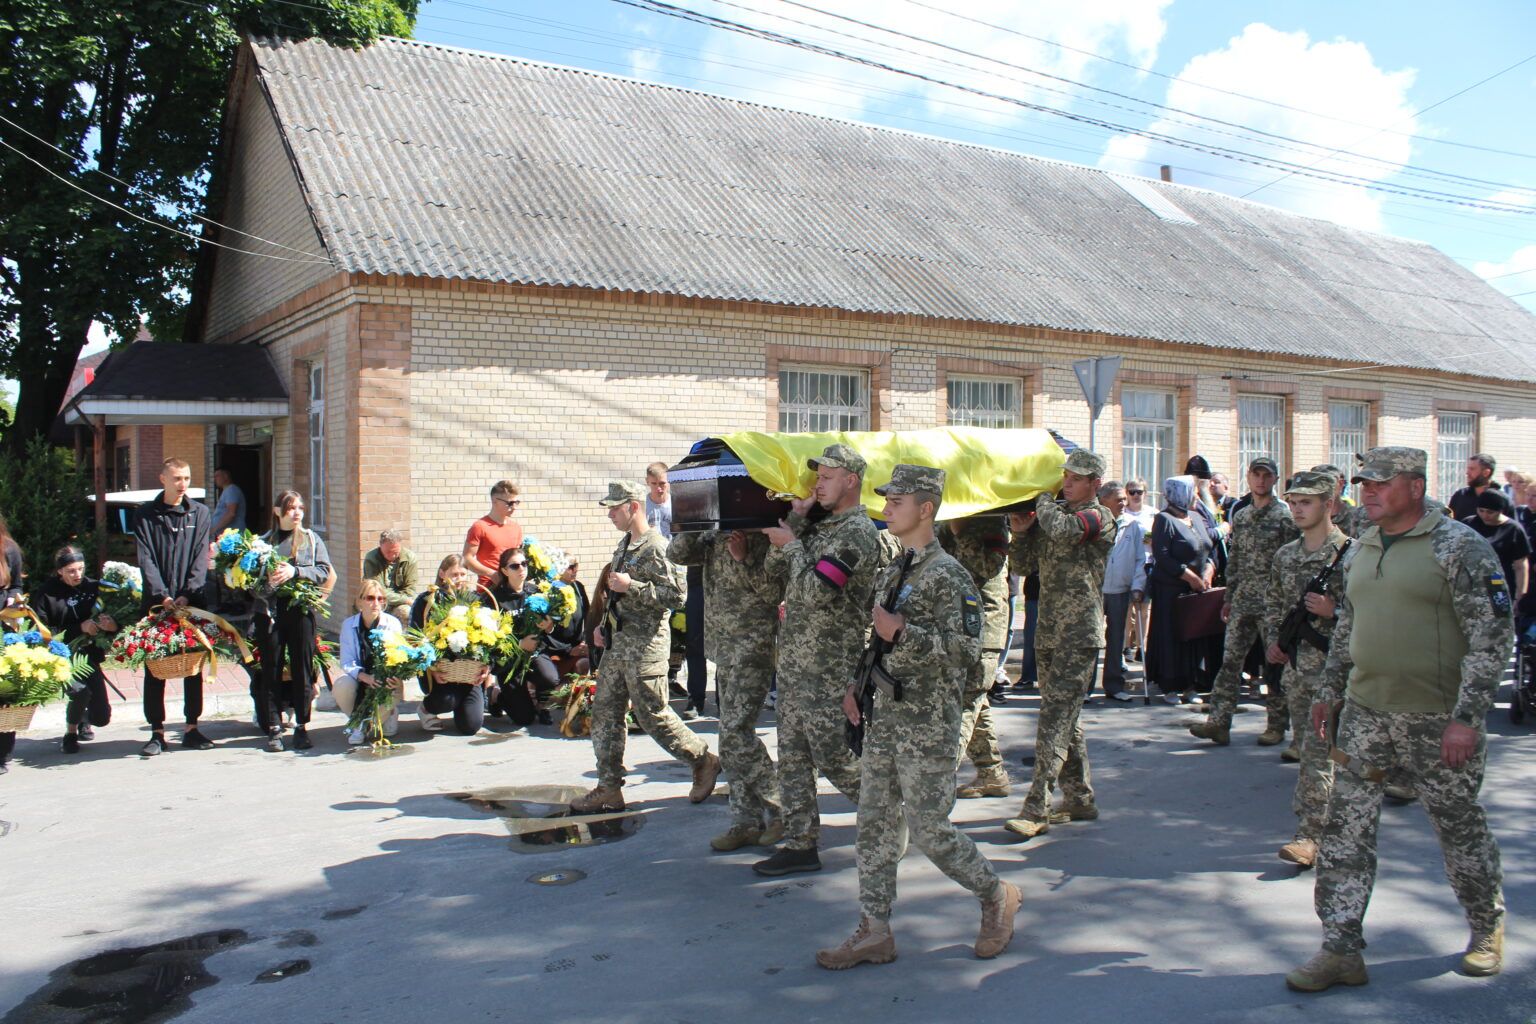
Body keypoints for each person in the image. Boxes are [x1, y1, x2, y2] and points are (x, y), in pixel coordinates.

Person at [1287, 447, 1512, 992]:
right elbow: (1349, 624)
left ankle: (1486, 928)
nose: (1368, 491)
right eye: (1364, 482)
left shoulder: (1459, 547)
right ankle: (1340, 948)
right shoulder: (1363, 544)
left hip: (1436, 718)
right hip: (1366, 713)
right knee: (1345, 830)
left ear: (1415, 487)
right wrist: (1330, 689)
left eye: (1381, 483)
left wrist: (1467, 717)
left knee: (1457, 825)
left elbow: (1491, 637)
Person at [816, 465, 1020, 969]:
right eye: (887, 499)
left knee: (929, 828)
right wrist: (856, 687)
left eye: (897, 500)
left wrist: (904, 633)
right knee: (874, 824)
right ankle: (875, 930)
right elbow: (877, 639)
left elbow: (967, 650)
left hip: (926, 725)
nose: (886, 506)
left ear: (925, 509)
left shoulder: (949, 575)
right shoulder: (897, 566)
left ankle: (996, 894)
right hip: (884, 716)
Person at [754, 443, 880, 876]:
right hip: (795, 660)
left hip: (831, 663)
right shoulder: (821, 527)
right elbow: (774, 573)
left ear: (851, 481)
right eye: (817, 477)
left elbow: (817, 590)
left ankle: (893, 813)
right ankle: (800, 842)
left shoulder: (857, 533)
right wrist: (797, 520)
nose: (817, 485)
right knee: (791, 754)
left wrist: (792, 544)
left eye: (826, 478)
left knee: (833, 754)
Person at [570, 481, 720, 813]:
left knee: (652, 715)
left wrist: (632, 585)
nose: (610, 514)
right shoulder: (625, 545)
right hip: (619, 644)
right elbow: (615, 594)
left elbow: (676, 597)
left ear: (633, 507)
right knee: (606, 713)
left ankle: (703, 759)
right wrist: (602, 626)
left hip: (646, 647)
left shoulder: (656, 546)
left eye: (614, 508)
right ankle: (608, 787)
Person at [1003, 449, 1116, 841]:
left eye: (1075, 478)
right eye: (1064, 475)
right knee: (1065, 717)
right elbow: (1021, 564)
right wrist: (1020, 530)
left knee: (1053, 718)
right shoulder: (1053, 519)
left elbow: (1067, 531)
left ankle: (1037, 806)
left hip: (1078, 634)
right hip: (1049, 631)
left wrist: (1041, 501)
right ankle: (1080, 797)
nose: (1066, 482)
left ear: (1094, 484)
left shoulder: (1098, 517)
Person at [668, 524, 786, 851]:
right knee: (729, 736)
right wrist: (692, 521)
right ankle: (745, 821)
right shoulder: (710, 535)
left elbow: (774, 593)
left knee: (736, 733)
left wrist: (745, 558)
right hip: (722, 648)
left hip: (753, 647)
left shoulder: (761, 534)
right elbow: (676, 553)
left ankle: (780, 804)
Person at [1262, 472, 1348, 869]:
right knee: (1313, 751)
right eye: (1293, 502)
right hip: (1300, 670)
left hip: (1343, 672)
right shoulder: (1286, 555)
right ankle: (1315, 832)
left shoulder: (1352, 553)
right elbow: (1275, 604)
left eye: (1306, 502)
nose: (1297, 509)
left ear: (1328, 505)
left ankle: (1316, 832)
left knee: (1337, 755)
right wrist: (1275, 643)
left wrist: (1336, 612)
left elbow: (1378, 615)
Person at [1191, 458, 1298, 746]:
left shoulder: (1285, 517)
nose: (1261, 481)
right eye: (1256, 475)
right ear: (1248, 477)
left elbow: (1292, 563)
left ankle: (1276, 725)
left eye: (1267, 475)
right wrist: (1228, 597)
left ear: (1275, 479)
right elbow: (1235, 559)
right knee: (1229, 664)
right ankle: (1219, 722)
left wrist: (1287, 605)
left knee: (1274, 665)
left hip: (1273, 606)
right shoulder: (1242, 515)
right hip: (1242, 602)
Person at [133, 458, 214, 757]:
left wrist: (187, 595)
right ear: (163, 478)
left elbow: (200, 557)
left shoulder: (200, 513)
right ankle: (157, 732)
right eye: (177, 478)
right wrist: (163, 597)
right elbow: (146, 559)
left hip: (191, 603)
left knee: (193, 667)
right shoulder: (144, 515)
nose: (182, 484)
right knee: (156, 668)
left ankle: (192, 727)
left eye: (187, 478)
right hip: (157, 605)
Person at [937, 514, 1012, 798]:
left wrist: (959, 532)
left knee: (964, 707)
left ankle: (932, 787)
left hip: (982, 630)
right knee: (975, 705)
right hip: (954, 628)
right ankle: (992, 773)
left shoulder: (991, 522)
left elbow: (984, 568)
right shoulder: (946, 520)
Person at [251, 490, 332, 753]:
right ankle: (274, 727)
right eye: (290, 508)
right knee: (271, 670)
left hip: (301, 612)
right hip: (270, 613)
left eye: (300, 508)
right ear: (277, 512)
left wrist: (296, 571)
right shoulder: (263, 542)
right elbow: (247, 582)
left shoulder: (311, 539)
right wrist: (266, 583)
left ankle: (301, 726)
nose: (297, 513)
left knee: (302, 668)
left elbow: (324, 571)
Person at [30, 547, 117, 754]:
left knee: (102, 718)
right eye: (71, 570)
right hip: (61, 655)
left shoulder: (94, 588)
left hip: (88, 656)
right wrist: (79, 628)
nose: (77, 574)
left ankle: (83, 718)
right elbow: (43, 631)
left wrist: (112, 626)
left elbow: (114, 619)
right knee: (80, 692)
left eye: (80, 569)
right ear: (59, 571)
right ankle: (70, 735)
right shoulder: (46, 593)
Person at [1144, 476, 1215, 705]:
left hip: (1196, 591)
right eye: (1191, 490)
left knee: (1193, 638)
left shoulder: (1195, 516)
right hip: (1172, 591)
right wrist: (1190, 576)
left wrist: (1208, 571)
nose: (1195, 495)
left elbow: (1208, 548)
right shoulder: (1164, 519)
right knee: (1172, 637)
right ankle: (1171, 685)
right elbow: (1163, 556)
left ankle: (1190, 685)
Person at [411, 555, 494, 736]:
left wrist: (487, 667)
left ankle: (464, 703)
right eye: (454, 574)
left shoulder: (476, 600)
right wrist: (431, 668)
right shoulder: (427, 601)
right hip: (441, 674)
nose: (459, 578)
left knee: (470, 727)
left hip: (470, 675)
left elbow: (493, 640)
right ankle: (426, 709)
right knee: (446, 700)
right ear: (442, 574)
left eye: (463, 574)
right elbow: (415, 637)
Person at [489, 546, 561, 726]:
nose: (521, 569)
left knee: (550, 678)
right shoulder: (494, 598)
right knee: (524, 719)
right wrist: (520, 643)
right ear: (504, 570)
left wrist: (549, 626)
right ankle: (497, 696)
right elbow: (489, 637)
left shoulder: (536, 591)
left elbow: (550, 626)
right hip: (509, 660)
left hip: (535, 654)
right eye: (514, 566)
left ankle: (542, 706)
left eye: (524, 564)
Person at [334, 580, 407, 745]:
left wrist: (393, 676)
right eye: (370, 598)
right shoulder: (348, 625)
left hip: (384, 678)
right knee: (342, 685)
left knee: (391, 687)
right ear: (359, 601)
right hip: (362, 677)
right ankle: (361, 724)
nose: (376, 603)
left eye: (380, 599)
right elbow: (346, 661)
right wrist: (364, 676)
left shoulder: (392, 624)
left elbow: (399, 656)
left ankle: (381, 717)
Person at [1098, 480, 1145, 702]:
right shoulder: (1095, 521)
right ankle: (1086, 688)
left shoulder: (1132, 525)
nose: (1123, 503)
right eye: (1118, 499)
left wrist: (1137, 586)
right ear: (1103, 500)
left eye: (1125, 499)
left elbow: (1139, 559)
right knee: (1092, 640)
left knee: (1116, 639)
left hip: (1120, 589)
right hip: (1096, 590)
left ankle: (1114, 685)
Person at [1462, 490, 1531, 605]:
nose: (1485, 515)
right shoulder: (1468, 524)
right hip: (1470, 585)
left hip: (1499, 586)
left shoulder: (1513, 529)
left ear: (1501, 511)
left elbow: (1521, 566)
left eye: (1490, 512)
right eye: (1481, 511)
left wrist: (1520, 596)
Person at [463, 480, 525, 590]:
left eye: (516, 502)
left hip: (513, 586)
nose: (514, 507)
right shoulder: (480, 526)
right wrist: (491, 574)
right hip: (489, 588)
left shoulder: (516, 527)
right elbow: (467, 559)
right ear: (495, 501)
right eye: (510, 503)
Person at [0, 517, 23, 774]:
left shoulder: (9, 549)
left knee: (5, 688)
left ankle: (3, 750)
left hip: (3, 625)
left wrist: (11, 600)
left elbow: (16, 586)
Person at [1124, 478, 1155, 661]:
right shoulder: (1122, 513)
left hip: (1147, 563)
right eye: (1132, 492)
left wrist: (1154, 541)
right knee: (1127, 608)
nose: (1136, 495)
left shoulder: (1153, 514)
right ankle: (1126, 646)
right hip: (1126, 565)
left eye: (1139, 492)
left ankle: (1142, 646)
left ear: (1145, 493)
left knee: (1144, 608)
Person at [545, 558, 591, 680]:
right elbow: (545, 629)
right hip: (555, 651)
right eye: (570, 567)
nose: (575, 570)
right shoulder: (549, 591)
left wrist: (585, 641)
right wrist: (568, 650)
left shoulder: (578, 587)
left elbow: (588, 616)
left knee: (584, 666)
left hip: (577, 647)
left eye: (576, 565)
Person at [362, 528, 418, 621]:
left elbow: (410, 590)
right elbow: (377, 590)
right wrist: (405, 600)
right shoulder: (371, 559)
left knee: (406, 612)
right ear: (380, 546)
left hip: (400, 603)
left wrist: (402, 600)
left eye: (395, 552)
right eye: (388, 552)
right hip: (377, 601)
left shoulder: (410, 558)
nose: (391, 556)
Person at [1448, 453, 1498, 523]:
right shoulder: (1460, 496)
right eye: (1468, 468)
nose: (1467, 473)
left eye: (1472, 469)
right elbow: (1449, 522)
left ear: (1486, 473)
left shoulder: (1501, 499)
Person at [210, 466, 247, 535]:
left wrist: (214, 529)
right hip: (228, 536)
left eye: (217, 476)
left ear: (226, 476)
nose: (215, 479)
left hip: (233, 537)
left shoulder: (231, 490)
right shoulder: (227, 491)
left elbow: (231, 513)